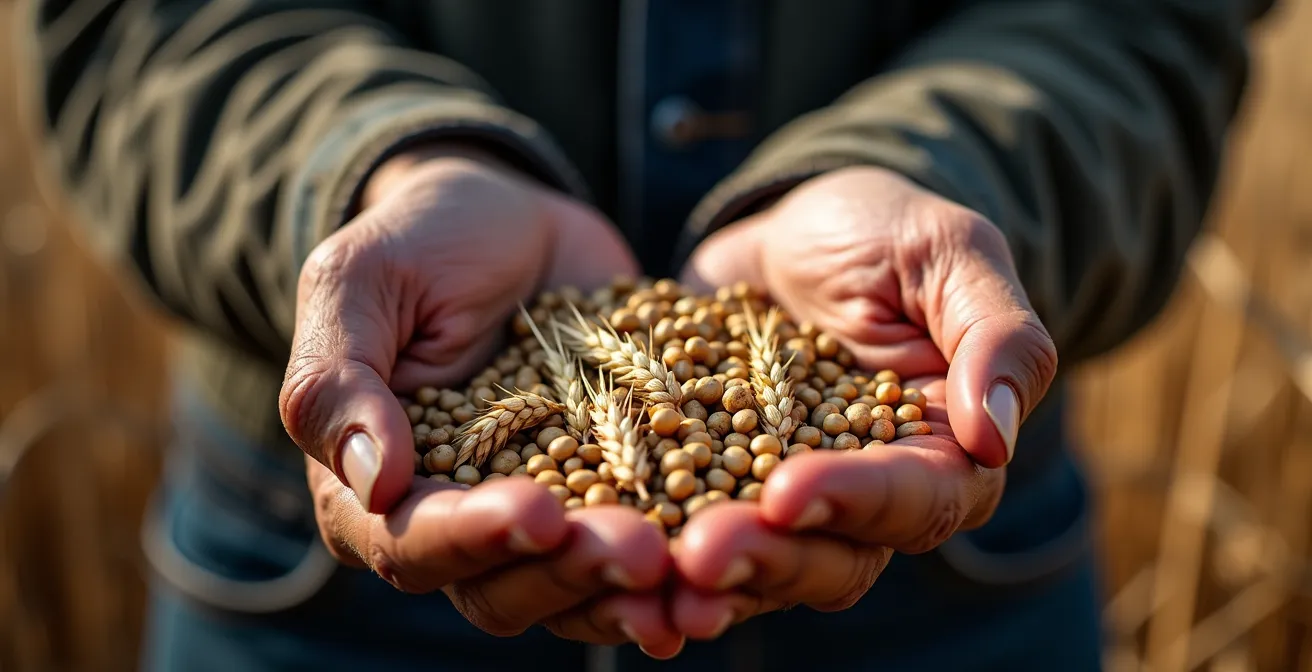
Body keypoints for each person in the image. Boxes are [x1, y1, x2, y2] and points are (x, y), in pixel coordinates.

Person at [17, 0, 1274, 669]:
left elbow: (1149, 12)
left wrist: (938, 173)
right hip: (320, 590)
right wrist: (368, 169)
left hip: (940, 591)